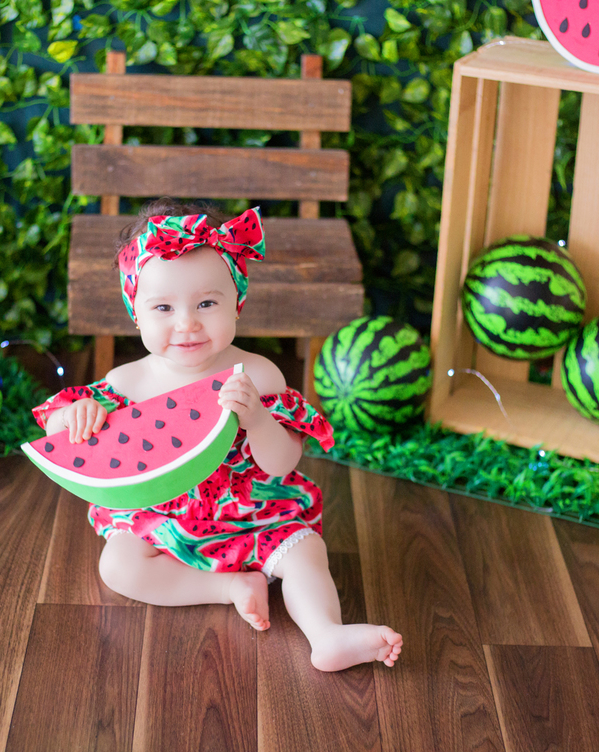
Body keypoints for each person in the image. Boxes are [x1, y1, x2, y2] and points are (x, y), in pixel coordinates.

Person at [33, 200, 402, 672]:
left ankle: (326, 634)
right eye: (164, 307)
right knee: (117, 567)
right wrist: (76, 415)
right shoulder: (127, 383)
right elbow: (58, 430)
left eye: (207, 303)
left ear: (237, 302)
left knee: (307, 552)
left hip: (255, 513)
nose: (187, 323)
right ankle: (228, 588)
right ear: (136, 313)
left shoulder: (260, 375)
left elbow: (281, 464)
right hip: (163, 520)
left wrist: (259, 422)